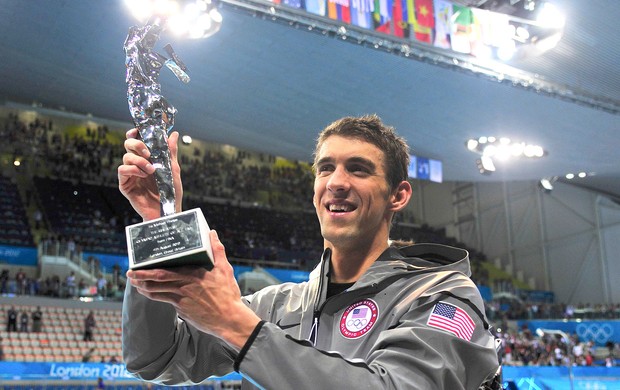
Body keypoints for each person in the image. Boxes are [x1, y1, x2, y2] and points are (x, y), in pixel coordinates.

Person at [119, 115, 501, 389]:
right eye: (325, 169)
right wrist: (160, 222)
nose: (336, 182)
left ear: (397, 195)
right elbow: (155, 359)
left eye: (359, 169)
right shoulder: (278, 306)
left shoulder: (442, 296)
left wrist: (237, 326)